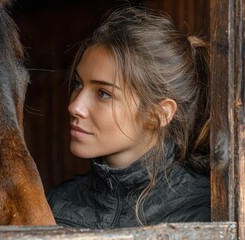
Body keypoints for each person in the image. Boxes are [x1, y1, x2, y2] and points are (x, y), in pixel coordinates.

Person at [47, 7, 211, 229]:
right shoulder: (53, 206)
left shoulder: (205, 210)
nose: (74, 106)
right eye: (78, 83)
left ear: (158, 115)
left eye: (103, 93)